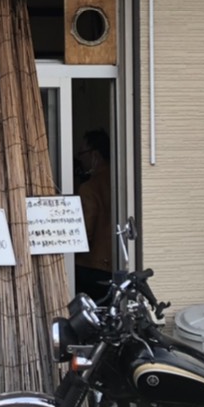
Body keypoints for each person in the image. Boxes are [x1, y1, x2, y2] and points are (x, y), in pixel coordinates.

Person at [73, 129, 114, 302]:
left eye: (82, 153)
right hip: (113, 262)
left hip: (91, 266)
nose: (80, 158)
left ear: (95, 155)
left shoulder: (89, 188)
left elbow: (85, 232)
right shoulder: (118, 181)